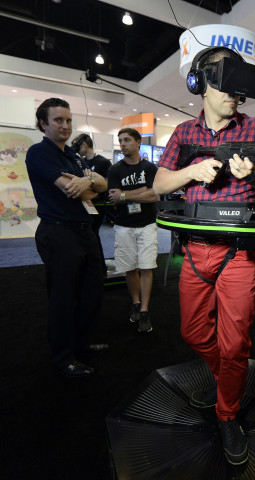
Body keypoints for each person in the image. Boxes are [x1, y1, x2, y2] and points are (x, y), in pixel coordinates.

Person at [153, 46, 255, 466]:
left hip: (241, 255)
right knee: (194, 332)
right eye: (224, 83)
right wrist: (191, 172)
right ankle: (224, 378)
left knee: (235, 344)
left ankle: (228, 411)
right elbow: (159, 184)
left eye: (238, 86)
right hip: (194, 252)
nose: (234, 94)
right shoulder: (183, 134)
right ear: (200, 85)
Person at [25, 97, 109, 378]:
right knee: (63, 298)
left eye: (68, 120)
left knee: (92, 292)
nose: (65, 125)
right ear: (43, 124)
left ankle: (81, 343)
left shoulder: (72, 155)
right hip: (59, 231)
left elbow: (103, 184)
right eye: (58, 120)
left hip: (85, 231)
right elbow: (74, 190)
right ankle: (62, 357)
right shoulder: (39, 153)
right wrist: (88, 183)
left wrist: (89, 182)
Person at [107, 128, 159, 334]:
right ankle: (136, 303)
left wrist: (125, 195)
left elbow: (154, 195)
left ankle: (145, 310)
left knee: (146, 267)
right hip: (123, 225)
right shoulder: (114, 170)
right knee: (130, 268)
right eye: (120, 140)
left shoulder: (150, 167)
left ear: (138, 142)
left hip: (147, 224)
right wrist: (141, 192)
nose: (122, 144)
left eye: (127, 140)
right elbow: (113, 197)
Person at [71, 133, 112, 275]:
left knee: (93, 234)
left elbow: (105, 184)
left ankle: (100, 268)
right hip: (84, 204)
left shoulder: (103, 162)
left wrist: (92, 188)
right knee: (86, 235)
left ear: (84, 145)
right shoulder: (80, 162)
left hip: (99, 205)